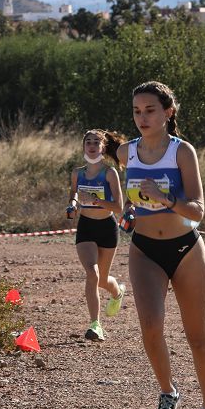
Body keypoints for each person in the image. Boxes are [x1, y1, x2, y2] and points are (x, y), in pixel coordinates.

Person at [117, 81, 205, 409]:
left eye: (150, 110)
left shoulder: (182, 152)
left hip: (186, 249)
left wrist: (164, 197)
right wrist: (128, 209)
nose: (142, 118)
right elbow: (125, 195)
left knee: (197, 337)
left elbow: (198, 209)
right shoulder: (125, 153)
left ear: (168, 113)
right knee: (150, 326)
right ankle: (168, 392)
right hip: (145, 248)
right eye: (136, 111)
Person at [69, 129, 127, 341]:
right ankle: (95, 325)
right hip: (86, 227)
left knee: (102, 279)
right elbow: (73, 196)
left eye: (96, 142)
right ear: (84, 147)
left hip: (107, 228)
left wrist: (94, 200)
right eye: (88, 142)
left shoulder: (110, 173)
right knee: (92, 274)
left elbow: (119, 207)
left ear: (103, 147)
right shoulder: (77, 173)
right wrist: (72, 206)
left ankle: (117, 292)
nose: (92, 145)